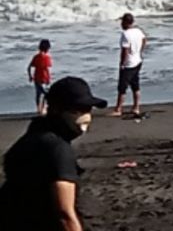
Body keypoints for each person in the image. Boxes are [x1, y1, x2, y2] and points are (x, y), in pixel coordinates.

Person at [0, 76, 107, 231]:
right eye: (78, 109)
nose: (85, 116)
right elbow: (64, 214)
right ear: (57, 109)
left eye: (88, 109)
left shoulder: (33, 136)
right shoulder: (57, 149)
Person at [113, 13, 148, 117]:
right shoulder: (138, 31)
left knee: (122, 87)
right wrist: (140, 51)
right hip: (138, 60)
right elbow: (144, 40)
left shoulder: (126, 34)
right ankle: (136, 107)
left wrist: (122, 63)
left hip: (129, 63)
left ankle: (118, 109)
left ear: (125, 22)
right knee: (135, 85)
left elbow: (125, 50)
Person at [28, 40, 53, 116]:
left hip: (37, 79)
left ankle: (39, 109)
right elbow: (47, 69)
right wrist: (49, 79)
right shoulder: (46, 57)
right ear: (47, 48)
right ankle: (42, 109)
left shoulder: (36, 57)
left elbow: (29, 67)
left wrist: (30, 76)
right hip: (44, 79)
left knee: (39, 94)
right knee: (46, 94)